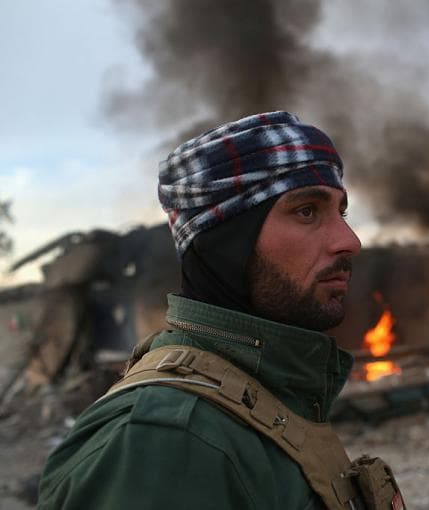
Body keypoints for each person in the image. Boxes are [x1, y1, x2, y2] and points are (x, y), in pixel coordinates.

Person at [37, 112, 403, 509]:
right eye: (307, 211)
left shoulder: (269, 397)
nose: (349, 241)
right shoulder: (164, 443)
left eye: (341, 212)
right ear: (229, 242)